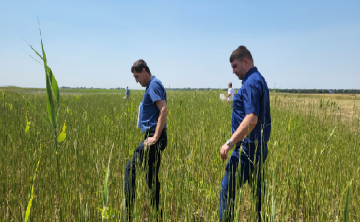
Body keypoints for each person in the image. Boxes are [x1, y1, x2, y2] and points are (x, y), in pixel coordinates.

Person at [219, 46, 271, 222]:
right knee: (258, 196)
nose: (233, 71)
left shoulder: (250, 83)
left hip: (246, 150)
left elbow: (252, 119)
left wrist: (229, 142)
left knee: (227, 191)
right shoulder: (259, 79)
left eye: (235, 66)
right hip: (259, 148)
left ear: (245, 61)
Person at [124, 59, 168, 221]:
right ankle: (157, 215)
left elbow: (163, 110)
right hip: (152, 135)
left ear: (144, 71)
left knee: (130, 170)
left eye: (137, 77)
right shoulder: (152, 85)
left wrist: (155, 136)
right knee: (151, 177)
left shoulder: (154, 85)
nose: (136, 81)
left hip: (155, 135)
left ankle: (128, 214)